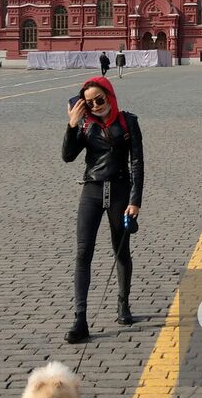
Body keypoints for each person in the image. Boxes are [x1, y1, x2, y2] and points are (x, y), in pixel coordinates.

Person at [61, 75, 144, 344]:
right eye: (90, 103)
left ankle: (123, 303)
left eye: (100, 99)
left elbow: (137, 164)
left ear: (110, 96)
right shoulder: (85, 125)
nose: (96, 105)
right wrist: (71, 126)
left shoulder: (128, 122)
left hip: (120, 192)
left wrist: (135, 200)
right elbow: (67, 156)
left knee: (121, 250)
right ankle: (80, 319)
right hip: (92, 191)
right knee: (83, 253)